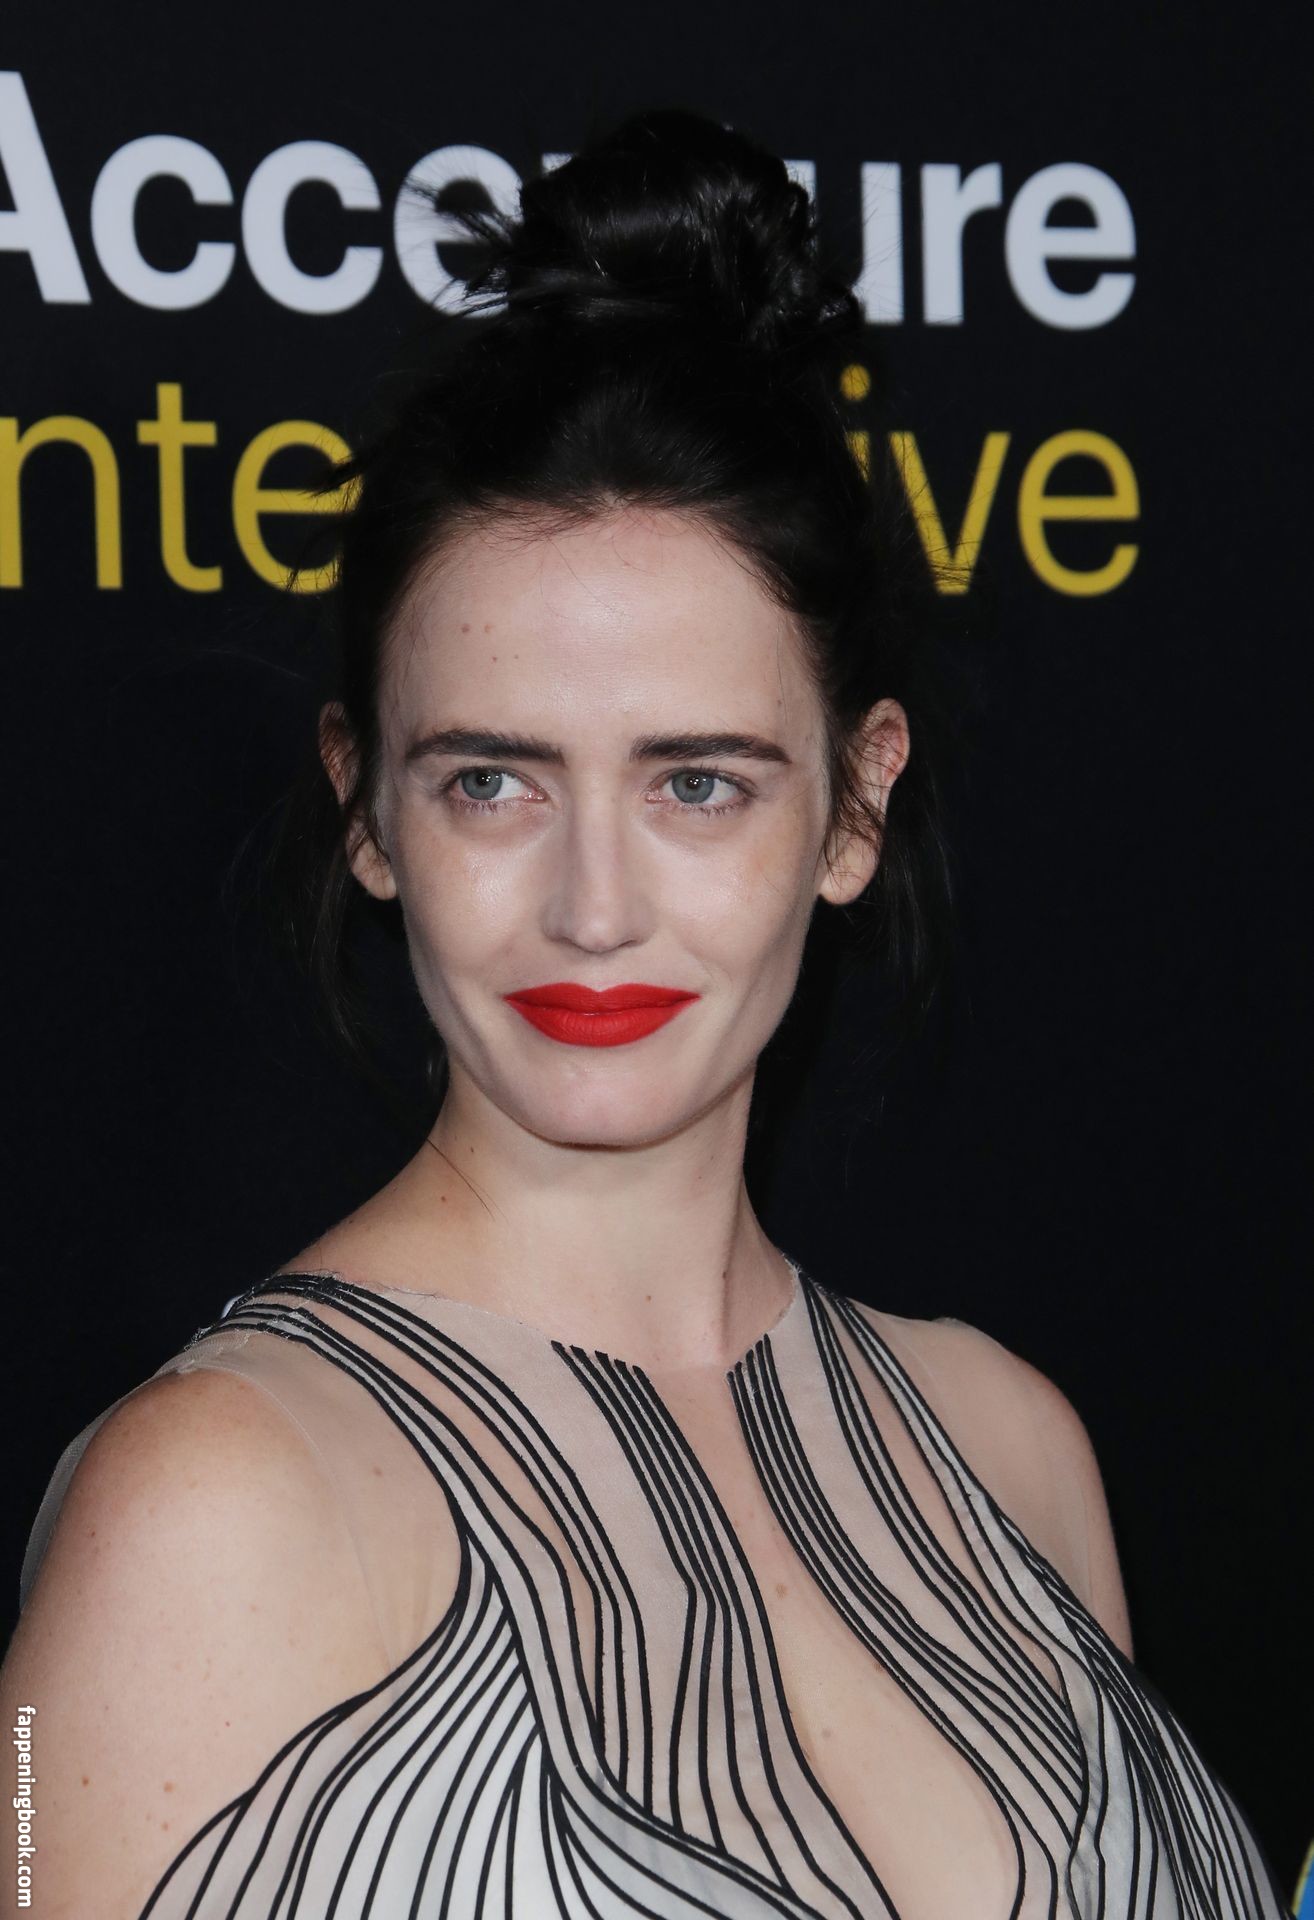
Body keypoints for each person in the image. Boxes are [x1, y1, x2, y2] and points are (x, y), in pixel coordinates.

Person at [0, 108, 1288, 1920]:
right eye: (491, 783)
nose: (592, 907)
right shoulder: (218, 1504)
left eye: (696, 783)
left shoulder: (1011, 1445)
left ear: (853, 808)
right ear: (366, 811)